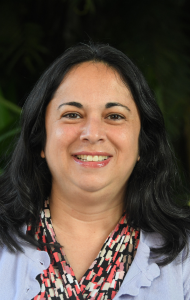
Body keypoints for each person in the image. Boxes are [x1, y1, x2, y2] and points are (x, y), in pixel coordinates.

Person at [0, 42, 190, 300]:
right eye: (72, 114)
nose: (92, 133)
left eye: (114, 116)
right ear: (40, 139)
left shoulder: (184, 256)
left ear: (142, 144)